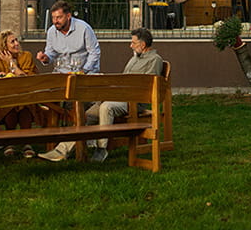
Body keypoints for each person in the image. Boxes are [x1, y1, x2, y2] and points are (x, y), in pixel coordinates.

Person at [39, 27, 164, 162]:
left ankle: (101, 149)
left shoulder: (155, 60)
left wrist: (120, 91)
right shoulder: (134, 59)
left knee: (106, 107)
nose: (131, 45)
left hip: (134, 101)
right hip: (120, 97)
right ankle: (62, 150)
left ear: (143, 45)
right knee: (87, 115)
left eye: (133, 43)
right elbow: (124, 80)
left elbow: (148, 86)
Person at [0, 30, 40, 157]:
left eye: (16, 40)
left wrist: (11, 63)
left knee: (24, 105)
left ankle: (26, 142)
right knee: (9, 105)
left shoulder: (26, 56)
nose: (17, 43)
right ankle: (10, 142)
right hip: (6, 98)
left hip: (26, 94)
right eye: (12, 42)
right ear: (4, 46)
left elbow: (25, 78)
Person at [36, 0, 101, 74]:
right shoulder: (51, 31)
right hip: (61, 73)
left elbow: (94, 52)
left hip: (85, 73)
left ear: (68, 16)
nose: (55, 21)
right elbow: (50, 52)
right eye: (53, 18)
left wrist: (84, 71)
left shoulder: (84, 28)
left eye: (59, 17)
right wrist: (45, 58)